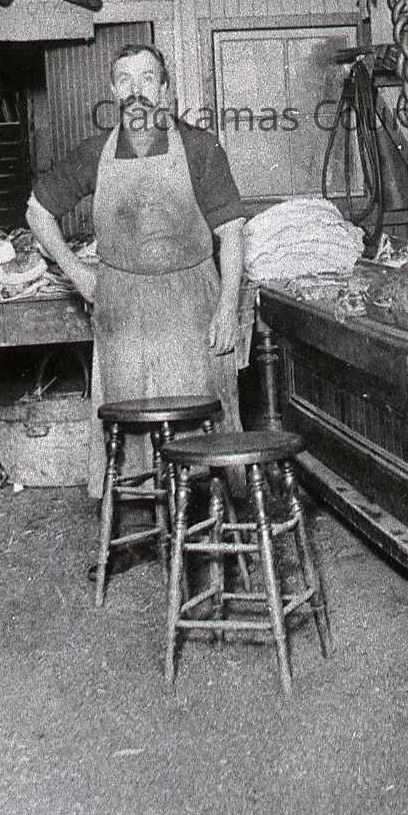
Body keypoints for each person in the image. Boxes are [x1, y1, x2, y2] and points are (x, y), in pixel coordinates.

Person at [26, 42, 248, 495]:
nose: (136, 91)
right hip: (122, 311)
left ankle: (200, 505)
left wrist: (228, 307)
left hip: (192, 306)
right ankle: (144, 502)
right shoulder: (94, 153)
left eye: (147, 79)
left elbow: (232, 232)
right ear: (113, 90)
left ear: (164, 90)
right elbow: (37, 210)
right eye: (125, 80)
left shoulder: (200, 148)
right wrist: (77, 273)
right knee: (128, 418)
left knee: (203, 423)